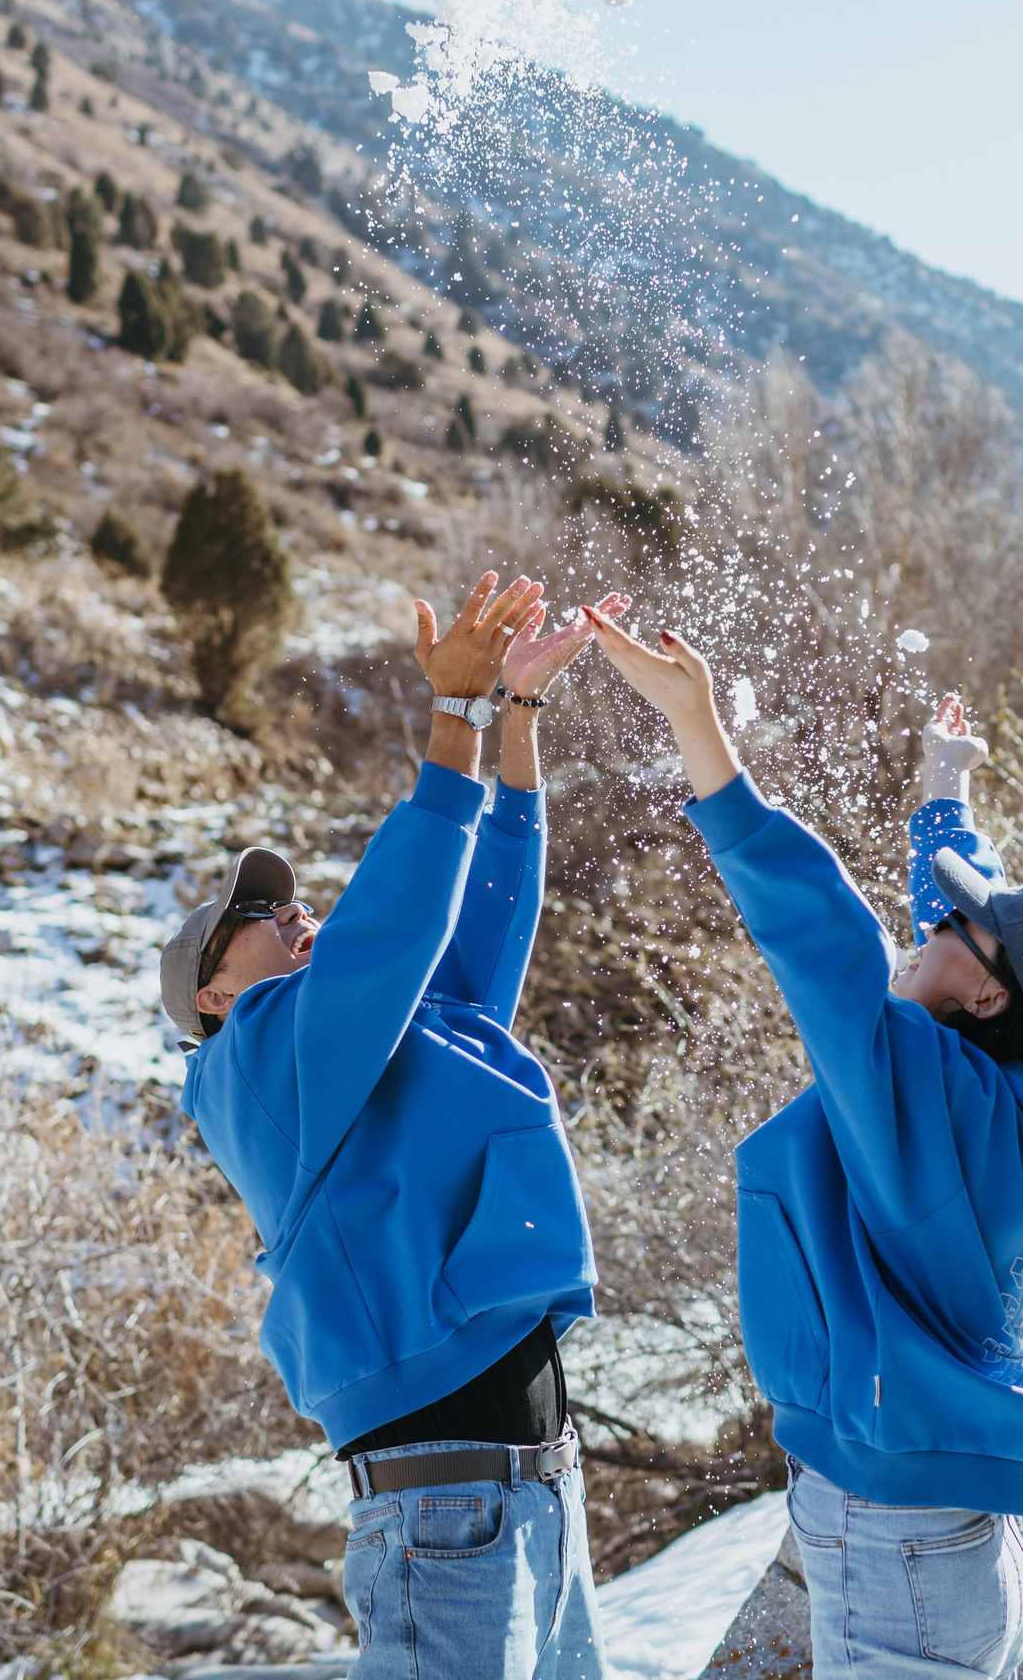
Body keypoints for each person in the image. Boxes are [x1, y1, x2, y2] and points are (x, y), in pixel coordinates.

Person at [587, 610, 1023, 1680]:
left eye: (954, 927)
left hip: (895, 1537)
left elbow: (819, 932)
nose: (927, 929)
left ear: (989, 994)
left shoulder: (926, 1095)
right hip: (953, 1532)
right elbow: (952, 958)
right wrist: (944, 797)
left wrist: (698, 726)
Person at [161, 572, 631, 1678]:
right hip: (447, 1516)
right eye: (256, 920)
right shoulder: (257, 1065)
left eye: (289, 900)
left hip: (532, 1493)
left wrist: (513, 718)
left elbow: (481, 926)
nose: (292, 914)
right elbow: (392, 925)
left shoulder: (366, 1042)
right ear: (214, 999)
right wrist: (452, 718)